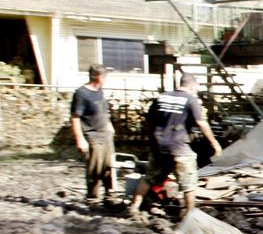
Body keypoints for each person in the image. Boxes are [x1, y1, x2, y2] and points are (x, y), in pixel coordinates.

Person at [129, 73, 222, 218]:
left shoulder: (162, 97)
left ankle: (134, 207)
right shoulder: (191, 100)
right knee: (189, 183)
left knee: (149, 178)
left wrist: (153, 140)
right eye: (196, 88)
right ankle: (190, 215)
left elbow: (148, 121)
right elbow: (201, 123)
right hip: (179, 148)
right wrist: (214, 143)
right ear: (192, 86)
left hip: (159, 147)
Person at [69, 64, 115, 202]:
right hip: (92, 135)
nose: (106, 79)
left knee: (108, 166)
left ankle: (110, 195)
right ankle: (93, 198)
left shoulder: (99, 91)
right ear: (99, 77)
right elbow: (75, 118)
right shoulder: (82, 94)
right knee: (95, 168)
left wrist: (109, 125)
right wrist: (80, 139)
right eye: (105, 76)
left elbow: (103, 111)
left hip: (105, 133)